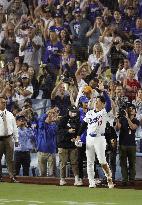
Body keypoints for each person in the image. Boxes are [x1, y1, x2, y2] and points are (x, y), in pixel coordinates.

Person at [76, 82, 114, 188]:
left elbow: (109, 104)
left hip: (99, 138)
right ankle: (91, 182)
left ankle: (109, 178)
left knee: (102, 161)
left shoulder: (104, 112)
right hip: (89, 138)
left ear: (102, 103)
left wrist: (103, 92)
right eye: (95, 101)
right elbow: (84, 124)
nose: (95, 103)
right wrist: (78, 135)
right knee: (89, 161)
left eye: (97, 101)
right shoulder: (89, 113)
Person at [115, 103, 139, 186]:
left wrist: (127, 118)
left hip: (132, 145)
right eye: (130, 108)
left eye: (133, 109)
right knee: (123, 163)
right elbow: (117, 128)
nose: (131, 110)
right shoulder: (122, 119)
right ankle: (124, 179)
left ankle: (132, 179)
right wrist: (117, 119)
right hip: (122, 144)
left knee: (132, 163)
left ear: (135, 112)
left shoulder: (136, 120)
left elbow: (133, 127)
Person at [0, 96, 19, 182]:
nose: (4, 104)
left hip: (9, 138)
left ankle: (12, 177)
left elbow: (14, 128)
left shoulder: (10, 114)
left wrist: (16, 139)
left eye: (5, 102)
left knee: (10, 159)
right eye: (2, 102)